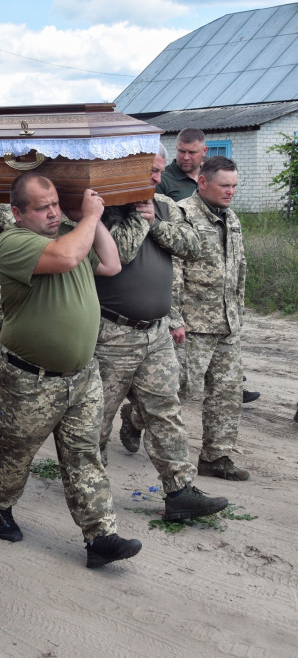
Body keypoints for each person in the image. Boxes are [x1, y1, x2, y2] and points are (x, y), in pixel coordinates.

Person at [0, 174, 143, 570]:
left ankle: (100, 536)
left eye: (55, 203)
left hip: (82, 377)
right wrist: (87, 217)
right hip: (29, 381)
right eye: (42, 207)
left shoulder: (72, 233)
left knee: (85, 455)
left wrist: (88, 218)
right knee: (14, 456)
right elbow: (68, 257)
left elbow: (110, 262)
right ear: (18, 213)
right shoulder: (12, 243)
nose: (52, 212)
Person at [94, 147, 228, 520]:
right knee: (97, 417)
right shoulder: (105, 209)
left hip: (156, 334)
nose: (156, 177)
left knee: (166, 411)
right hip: (112, 335)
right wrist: (138, 217)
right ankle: (91, 488)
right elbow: (117, 253)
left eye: (157, 171)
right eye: (148, 171)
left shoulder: (166, 206)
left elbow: (195, 246)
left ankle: (179, 491)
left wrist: (155, 222)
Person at [173, 156, 250, 480]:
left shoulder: (230, 218)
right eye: (224, 185)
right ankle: (135, 417)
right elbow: (173, 271)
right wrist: (174, 317)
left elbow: (240, 269)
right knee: (179, 389)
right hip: (193, 324)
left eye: (234, 186)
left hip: (226, 323)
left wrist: (238, 313)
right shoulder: (182, 215)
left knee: (227, 392)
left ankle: (216, 456)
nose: (230, 192)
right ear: (203, 182)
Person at [158, 128, 207, 202]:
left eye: (192, 152)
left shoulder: (210, 178)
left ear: (204, 151)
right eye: (182, 151)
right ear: (176, 148)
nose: (186, 157)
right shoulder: (161, 180)